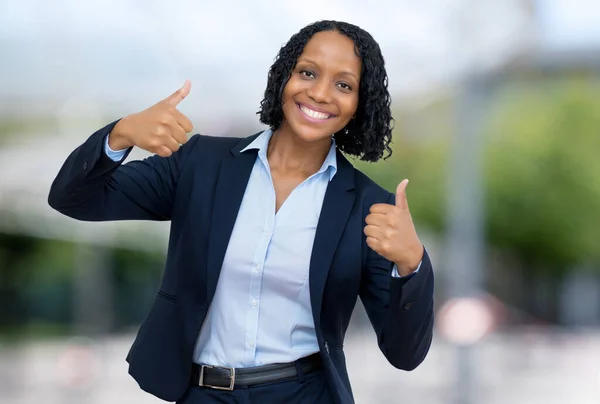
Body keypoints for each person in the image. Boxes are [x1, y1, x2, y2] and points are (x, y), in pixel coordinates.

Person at [48, 20, 434, 404]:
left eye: (343, 84)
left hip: (305, 394)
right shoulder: (200, 164)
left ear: (359, 104)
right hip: (202, 393)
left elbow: (405, 355)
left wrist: (411, 264)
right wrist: (120, 135)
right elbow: (74, 198)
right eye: (308, 73)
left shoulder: (369, 206)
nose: (320, 93)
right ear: (284, 76)